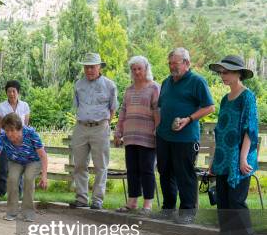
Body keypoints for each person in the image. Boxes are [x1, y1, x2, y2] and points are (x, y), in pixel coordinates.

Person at [207, 55, 261, 235]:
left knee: (237, 201)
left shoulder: (247, 97)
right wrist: (214, 160)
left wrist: (243, 158)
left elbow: (250, 129)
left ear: (239, 73)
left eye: (227, 72)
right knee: (223, 199)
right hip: (223, 157)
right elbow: (221, 131)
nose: (223, 75)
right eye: (221, 72)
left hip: (241, 157)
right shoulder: (224, 99)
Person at [154, 47, 215, 224]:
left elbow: (209, 107)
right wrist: (158, 126)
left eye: (176, 63)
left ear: (187, 63)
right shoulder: (166, 82)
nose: (172, 67)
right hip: (164, 136)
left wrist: (189, 119)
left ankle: (187, 211)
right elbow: (160, 107)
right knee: (165, 172)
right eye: (170, 63)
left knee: (184, 174)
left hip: (186, 138)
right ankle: (168, 208)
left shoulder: (197, 81)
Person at [0, 113, 48, 222]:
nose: (9, 134)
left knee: (28, 178)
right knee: (12, 179)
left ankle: (28, 213)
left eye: (12, 130)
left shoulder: (31, 134)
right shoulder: (3, 137)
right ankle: (11, 212)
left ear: (20, 129)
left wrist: (44, 176)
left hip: (33, 161)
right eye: (6, 130)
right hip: (16, 161)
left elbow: (43, 155)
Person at [70, 52, 118, 210]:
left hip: (100, 127)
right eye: (86, 67)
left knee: (100, 165)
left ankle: (97, 199)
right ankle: (81, 198)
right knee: (79, 165)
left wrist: (104, 124)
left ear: (99, 67)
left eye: (92, 67)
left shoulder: (110, 85)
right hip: (81, 127)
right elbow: (77, 106)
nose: (89, 70)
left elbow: (112, 109)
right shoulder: (78, 84)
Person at [114, 56, 160, 215]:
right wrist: (118, 131)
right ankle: (132, 202)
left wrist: (157, 130)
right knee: (132, 169)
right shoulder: (128, 90)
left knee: (147, 169)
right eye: (133, 69)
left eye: (139, 68)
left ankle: (147, 204)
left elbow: (157, 111)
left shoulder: (154, 88)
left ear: (146, 69)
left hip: (147, 135)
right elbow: (123, 112)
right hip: (130, 136)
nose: (136, 72)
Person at [0, 80, 30, 200]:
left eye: (14, 91)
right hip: (6, 141)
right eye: (9, 91)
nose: (11, 94)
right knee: (4, 167)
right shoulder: (1, 107)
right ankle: (0, 193)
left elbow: (25, 124)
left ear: (18, 92)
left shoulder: (25, 106)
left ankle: (18, 194)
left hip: (20, 142)